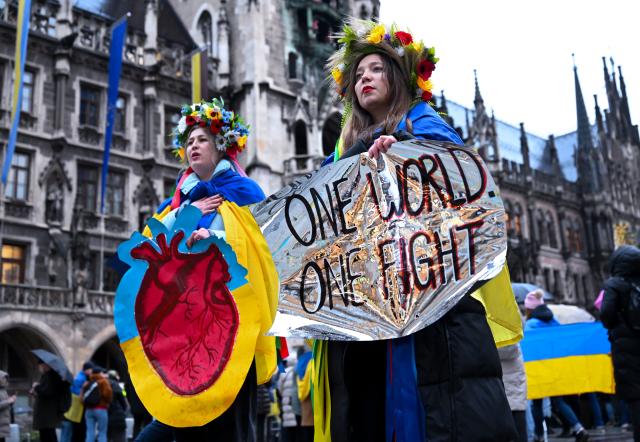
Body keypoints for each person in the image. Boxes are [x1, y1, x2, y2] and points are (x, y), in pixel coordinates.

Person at [320, 19, 518, 441]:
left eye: (375, 69)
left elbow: (465, 195)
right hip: (367, 315)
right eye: (357, 75)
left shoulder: (427, 128)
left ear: (397, 76)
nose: (364, 79)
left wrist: (406, 161)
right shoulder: (339, 153)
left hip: (430, 312)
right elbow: (318, 217)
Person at [128, 98, 277, 442]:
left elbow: (261, 247)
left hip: (231, 318)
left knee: (232, 425)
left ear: (222, 146)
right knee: (185, 422)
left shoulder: (246, 192)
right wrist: (188, 213)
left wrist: (216, 240)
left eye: (202, 140)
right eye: (189, 141)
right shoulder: (177, 201)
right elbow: (149, 246)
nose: (193, 146)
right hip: (187, 325)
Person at [524, 289, 590, 441]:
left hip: (539, 367)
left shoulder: (531, 324)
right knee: (558, 401)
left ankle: (539, 436)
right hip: (556, 367)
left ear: (530, 309)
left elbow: (529, 347)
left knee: (537, 403)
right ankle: (578, 428)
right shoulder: (554, 322)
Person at [600, 245, 640, 441]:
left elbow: (606, 314)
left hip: (625, 345)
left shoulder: (614, 284)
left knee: (635, 395)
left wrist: (617, 324)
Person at [31, 361, 68, 442]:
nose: (39, 368)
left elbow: (47, 391)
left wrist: (36, 386)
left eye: (39, 366)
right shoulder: (49, 376)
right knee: (47, 434)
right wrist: (36, 392)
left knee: (48, 435)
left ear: (45, 365)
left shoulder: (50, 376)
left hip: (47, 413)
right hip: (47, 413)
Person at [61, 362, 93, 442]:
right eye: (90, 369)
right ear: (86, 369)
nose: (91, 371)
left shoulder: (82, 377)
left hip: (75, 411)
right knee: (72, 433)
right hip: (76, 410)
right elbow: (76, 392)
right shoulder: (80, 379)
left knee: (71, 433)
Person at [81, 366, 113, 442]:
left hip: (89, 410)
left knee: (90, 432)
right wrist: (107, 402)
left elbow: (81, 398)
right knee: (102, 432)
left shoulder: (87, 383)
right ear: (100, 373)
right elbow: (108, 395)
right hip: (101, 409)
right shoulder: (103, 382)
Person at [106, 371, 127, 442]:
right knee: (120, 438)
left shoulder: (103, 384)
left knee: (107, 437)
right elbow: (123, 402)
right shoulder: (116, 385)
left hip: (106, 416)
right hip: (118, 416)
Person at [0, 370, 16, 442]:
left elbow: (6, 404)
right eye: (3, 378)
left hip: (3, 425)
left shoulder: (3, 390)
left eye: (6, 378)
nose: (5, 380)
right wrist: (8, 401)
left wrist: (11, 401)